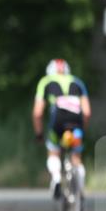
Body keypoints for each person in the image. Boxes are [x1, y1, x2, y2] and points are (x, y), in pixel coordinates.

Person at [32, 59, 91, 198]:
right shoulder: (78, 82)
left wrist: (39, 133)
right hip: (76, 122)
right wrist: (83, 131)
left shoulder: (45, 81)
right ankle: (80, 190)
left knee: (53, 152)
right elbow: (87, 112)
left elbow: (38, 113)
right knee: (76, 157)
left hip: (57, 122)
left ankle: (57, 178)